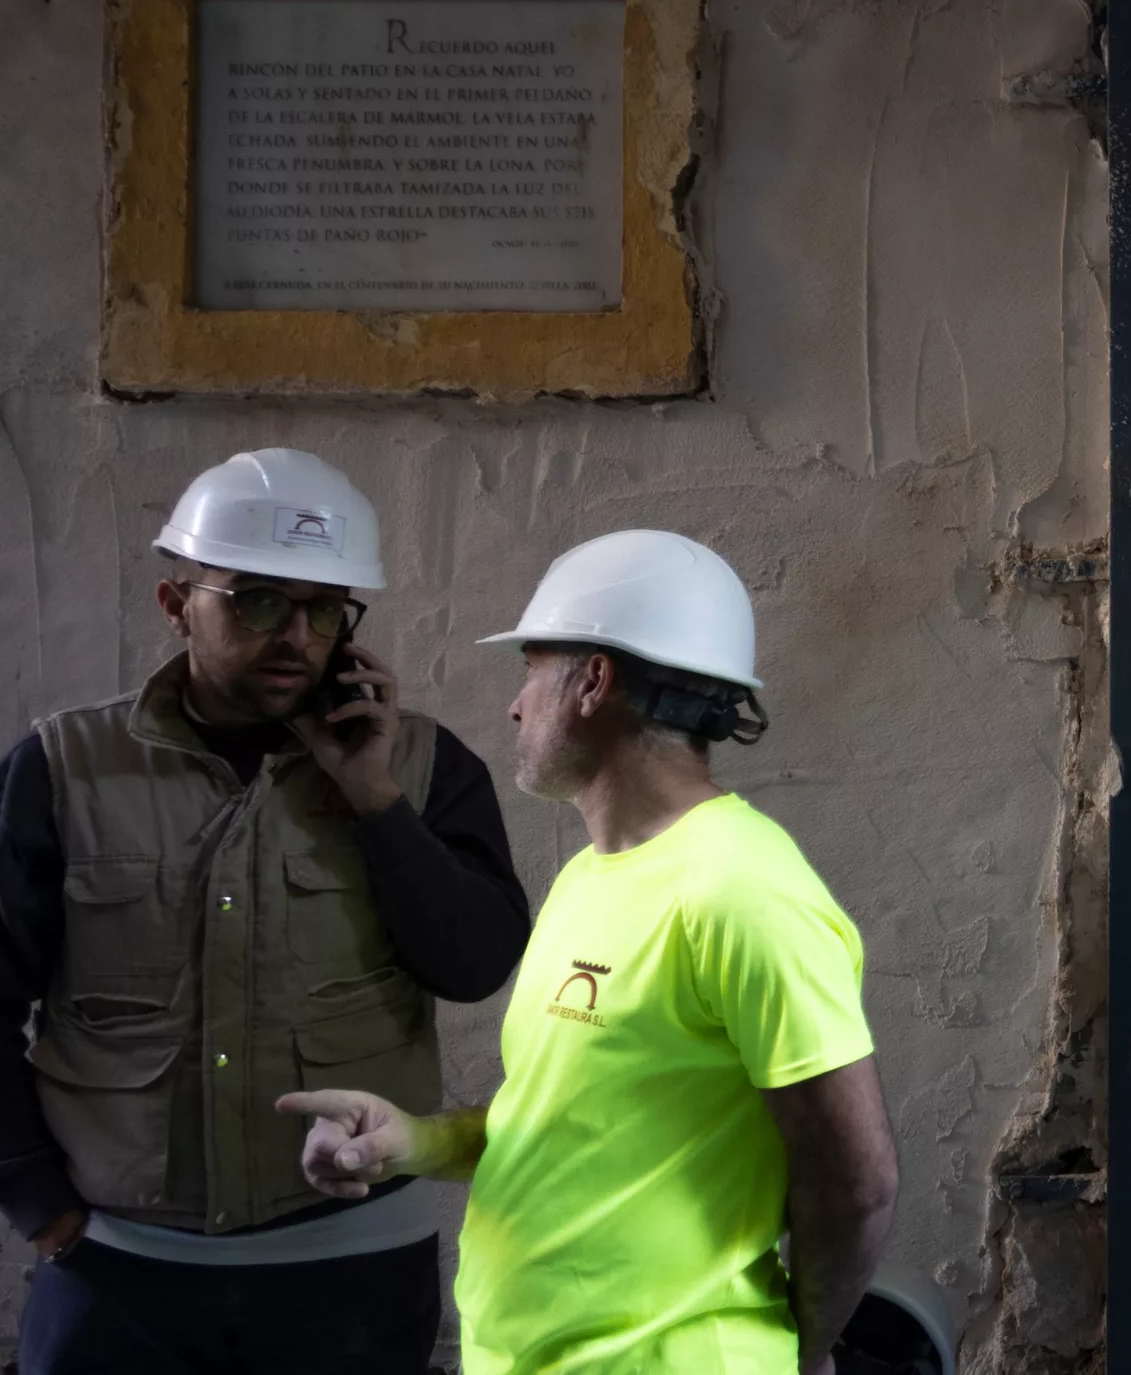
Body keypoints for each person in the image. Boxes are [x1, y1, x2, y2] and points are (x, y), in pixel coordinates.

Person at [0, 447, 531, 1373]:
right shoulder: (62, 770)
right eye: (257, 599)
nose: (296, 637)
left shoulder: (425, 770)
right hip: (120, 1274)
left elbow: (476, 965)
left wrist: (375, 800)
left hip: (351, 1272)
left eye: (324, 610)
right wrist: (47, 1213)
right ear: (177, 604)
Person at [281, 529, 900, 1375]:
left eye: (531, 668)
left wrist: (805, 1350)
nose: (515, 704)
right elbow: (560, 1123)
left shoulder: (742, 887)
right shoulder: (586, 878)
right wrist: (413, 1141)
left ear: (594, 681)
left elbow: (857, 1181)